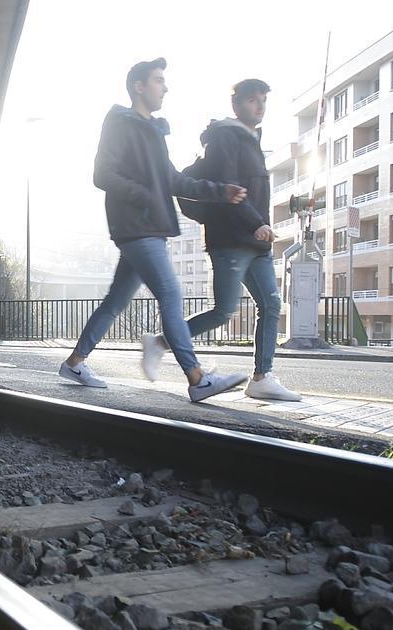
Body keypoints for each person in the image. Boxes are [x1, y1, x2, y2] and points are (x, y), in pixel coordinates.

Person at [58, 57, 250, 403]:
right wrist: (144, 195)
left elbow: (173, 180)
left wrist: (219, 192)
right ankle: (197, 378)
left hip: (148, 227)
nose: (165, 87)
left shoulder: (154, 132)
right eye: (159, 81)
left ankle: (74, 362)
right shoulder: (120, 123)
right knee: (171, 295)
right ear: (139, 86)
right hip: (137, 226)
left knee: (115, 302)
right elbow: (102, 173)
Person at [143, 79, 301, 401]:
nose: (260, 107)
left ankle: (262, 377)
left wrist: (261, 226)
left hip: (255, 241)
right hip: (230, 239)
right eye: (253, 101)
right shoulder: (225, 138)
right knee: (223, 311)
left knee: (271, 304)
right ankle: (160, 342)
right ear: (237, 105)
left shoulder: (252, 140)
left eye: (263, 101)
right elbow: (230, 189)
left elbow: (253, 194)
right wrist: (257, 223)